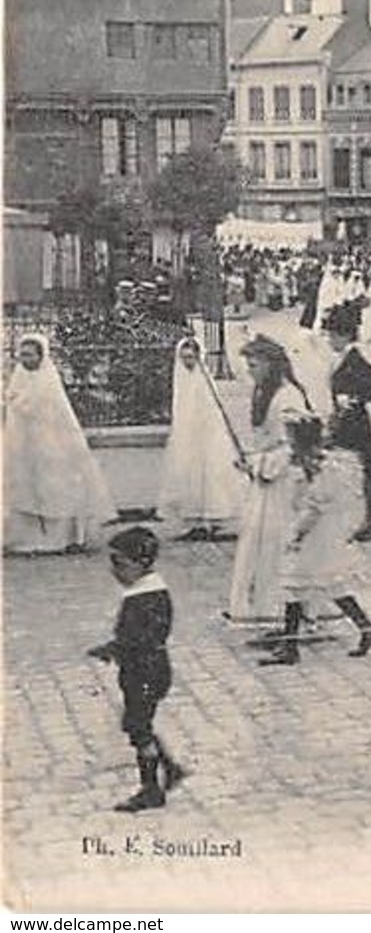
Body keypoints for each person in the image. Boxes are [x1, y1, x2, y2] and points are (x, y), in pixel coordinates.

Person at [258, 416, 371, 666]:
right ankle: (367, 629)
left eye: (291, 436)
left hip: (314, 534)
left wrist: (297, 534)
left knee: (296, 585)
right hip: (322, 534)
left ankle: (290, 646)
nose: (288, 441)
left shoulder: (319, 468)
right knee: (328, 585)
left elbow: (314, 507)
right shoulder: (319, 463)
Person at [87, 527, 187, 812]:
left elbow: (144, 638)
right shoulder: (147, 590)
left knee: (138, 728)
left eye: (120, 563)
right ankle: (170, 768)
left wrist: (114, 648)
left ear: (140, 564)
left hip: (145, 672)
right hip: (147, 670)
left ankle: (151, 790)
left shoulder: (144, 597)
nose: (113, 571)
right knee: (137, 723)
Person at [3, 334, 118, 555]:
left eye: (30, 355)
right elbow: (14, 405)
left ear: (40, 356)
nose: (24, 359)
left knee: (56, 488)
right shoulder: (18, 378)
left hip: (52, 445)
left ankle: (62, 538)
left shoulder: (49, 380)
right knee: (26, 489)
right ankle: (29, 537)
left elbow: (51, 412)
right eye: (22, 355)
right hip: (24, 445)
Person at [227, 336, 312, 625]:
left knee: (279, 545)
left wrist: (261, 464)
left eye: (254, 365)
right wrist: (250, 458)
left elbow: (297, 446)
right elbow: (265, 441)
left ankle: (283, 613)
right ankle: (261, 607)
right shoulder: (263, 391)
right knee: (259, 543)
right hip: (266, 484)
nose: (249, 371)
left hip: (285, 485)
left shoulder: (289, 397)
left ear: (271, 365)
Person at [157, 337, 240, 542]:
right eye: (185, 358)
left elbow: (212, 408)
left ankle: (213, 518)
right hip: (187, 436)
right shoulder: (180, 379)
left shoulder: (204, 379)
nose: (188, 362)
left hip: (208, 435)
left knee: (211, 474)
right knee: (188, 474)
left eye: (192, 357)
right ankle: (193, 520)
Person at [322, 298, 371, 542]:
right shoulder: (340, 359)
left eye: (332, 335)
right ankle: (358, 517)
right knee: (354, 468)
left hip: (356, 422)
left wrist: (355, 398)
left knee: (364, 468)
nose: (329, 340)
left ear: (344, 335)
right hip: (345, 420)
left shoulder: (355, 360)